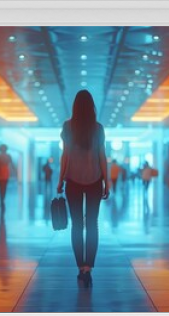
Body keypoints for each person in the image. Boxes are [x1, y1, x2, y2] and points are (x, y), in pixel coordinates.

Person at [57, 89, 109, 288]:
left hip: (73, 180)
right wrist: (107, 181)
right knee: (93, 224)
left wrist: (60, 179)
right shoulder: (98, 128)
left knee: (77, 225)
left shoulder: (68, 127)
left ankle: (81, 268)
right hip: (95, 180)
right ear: (92, 107)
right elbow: (102, 155)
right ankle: (89, 268)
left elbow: (66, 155)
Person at [0, 144, 14, 210]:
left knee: (1, 187)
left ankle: (1, 199)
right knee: (4, 187)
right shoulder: (8, 156)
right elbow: (12, 164)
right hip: (5, 172)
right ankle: (2, 199)